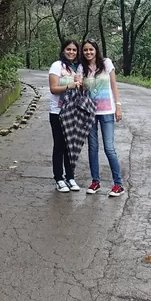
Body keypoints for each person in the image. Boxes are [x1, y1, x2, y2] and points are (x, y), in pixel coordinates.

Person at [80, 39, 124, 197]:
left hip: (107, 111)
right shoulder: (81, 68)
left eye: (91, 49)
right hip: (89, 112)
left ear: (96, 50)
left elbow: (114, 86)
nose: (88, 52)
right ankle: (95, 181)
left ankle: (118, 184)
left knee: (109, 148)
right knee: (92, 148)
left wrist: (118, 106)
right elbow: (80, 88)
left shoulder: (106, 63)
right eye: (85, 50)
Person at [48, 40, 83, 193]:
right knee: (60, 145)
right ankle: (59, 178)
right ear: (63, 50)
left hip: (74, 111)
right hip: (58, 112)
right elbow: (53, 88)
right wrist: (70, 85)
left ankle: (70, 177)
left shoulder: (79, 67)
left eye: (74, 50)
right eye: (68, 49)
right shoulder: (57, 66)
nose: (71, 52)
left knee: (71, 145)